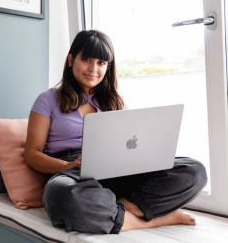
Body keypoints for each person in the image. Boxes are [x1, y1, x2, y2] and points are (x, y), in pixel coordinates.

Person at [23, 30, 207, 234]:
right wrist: (68, 165)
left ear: (108, 67)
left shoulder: (116, 101)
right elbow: (32, 155)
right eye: (86, 59)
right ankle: (153, 220)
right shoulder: (47, 99)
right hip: (70, 173)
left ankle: (128, 206)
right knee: (66, 196)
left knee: (194, 170)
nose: (94, 69)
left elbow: (131, 143)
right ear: (70, 60)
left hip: (116, 170)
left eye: (102, 63)